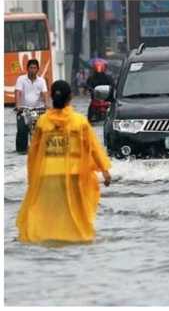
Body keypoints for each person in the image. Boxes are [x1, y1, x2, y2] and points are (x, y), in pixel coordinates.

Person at [16, 80, 112, 243]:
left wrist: (32, 178)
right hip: (73, 176)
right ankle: (77, 238)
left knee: (49, 214)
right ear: (70, 98)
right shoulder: (79, 121)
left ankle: (48, 237)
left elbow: (33, 153)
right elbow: (93, 147)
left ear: (52, 97)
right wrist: (104, 170)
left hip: (47, 177)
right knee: (75, 214)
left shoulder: (43, 122)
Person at [15, 59, 50, 154]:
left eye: (35, 68)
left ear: (38, 69)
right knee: (22, 129)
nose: (32, 70)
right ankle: (21, 150)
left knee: (41, 129)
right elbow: (18, 92)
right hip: (24, 108)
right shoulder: (21, 79)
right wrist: (18, 105)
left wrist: (47, 104)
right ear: (27, 69)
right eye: (31, 68)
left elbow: (45, 93)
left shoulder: (41, 80)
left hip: (38, 108)